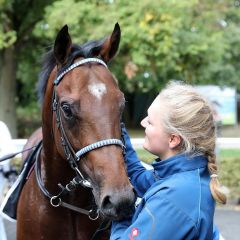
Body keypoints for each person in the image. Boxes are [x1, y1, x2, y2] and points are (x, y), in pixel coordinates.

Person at [110, 82, 226, 240]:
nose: (142, 123)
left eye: (150, 122)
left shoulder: (173, 199)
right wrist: (117, 130)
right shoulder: (185, 173)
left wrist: (122, 213)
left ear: (173, 139)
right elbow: (138, 177)